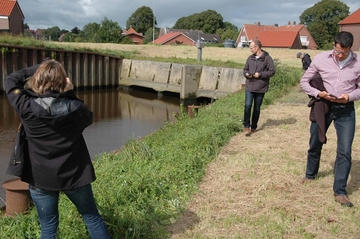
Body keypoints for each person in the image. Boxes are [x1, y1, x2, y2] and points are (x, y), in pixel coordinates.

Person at [4, 59, 111, 238]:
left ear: (37, 79)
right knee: (92, 218)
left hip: (40, 178)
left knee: (48, 227)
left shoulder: (27, 107)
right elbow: (87, 116)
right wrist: (69, 93)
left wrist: (39, 67)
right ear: (64, 83)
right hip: (74, 175)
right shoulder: (77, 108)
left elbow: (10, 80)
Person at [300, 31, 360, 207]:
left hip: (345, 110)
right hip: (323, 106)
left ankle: (340, 191)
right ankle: (310, 174)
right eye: (338, 51)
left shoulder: (358, 63)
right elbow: (305, 82)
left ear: (351, 48)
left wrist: (349, 97)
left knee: (345, 150)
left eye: (345, 52)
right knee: (315, 142)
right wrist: (318, 93)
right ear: (334, 44)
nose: (340, 55)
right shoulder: (320, 59)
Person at [243, 40, 276, 136]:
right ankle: (246, 126)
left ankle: (254, 126)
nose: (250, 50)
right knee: (248, 106)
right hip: (250, 86)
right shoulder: (250, 58)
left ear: (257, 47)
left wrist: (260, 74)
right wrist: (246, 74)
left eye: (251, 48)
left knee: (257, 108)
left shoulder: (267, 59)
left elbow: (272, 71)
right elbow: (245, 69)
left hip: (261, 87)